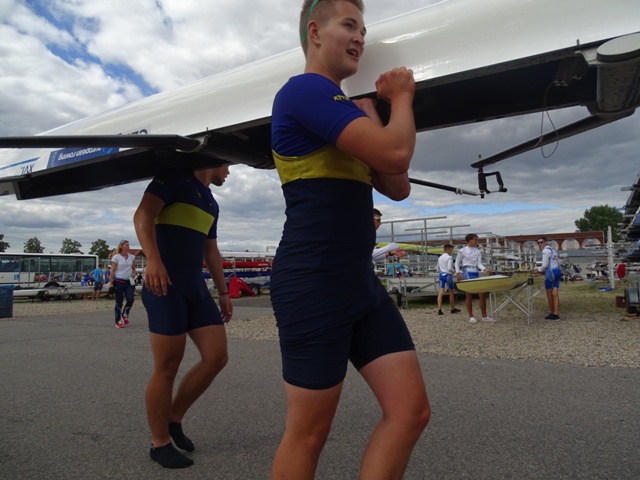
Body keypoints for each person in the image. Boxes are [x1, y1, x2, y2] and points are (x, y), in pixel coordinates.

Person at [269, 1, 430, 478]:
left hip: (359, 282)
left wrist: (375, 117)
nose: (360, 36)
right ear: (315, 32)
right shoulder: (304, 91)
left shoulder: (341, 111)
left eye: (363, 28)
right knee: (308, 433)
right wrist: (401, 97)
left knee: (410, 412)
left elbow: (397, 185)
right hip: (313, 283)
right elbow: (397, 153)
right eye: (349, 25)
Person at [133, 165, 233, 469]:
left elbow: (211, 251)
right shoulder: (174, 177)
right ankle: (159, 442)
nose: (229, 171)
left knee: (216, 357)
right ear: (212, 161)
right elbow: (143, 215)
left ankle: (173, 418)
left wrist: (224, 292)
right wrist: (153, 260)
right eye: (227, 164)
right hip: (164, 286)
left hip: (196, 289)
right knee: (167, 367)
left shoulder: (211, 201)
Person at [455, 233, 493, 323]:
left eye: (477, 239)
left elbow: (479, 264)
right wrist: (457, 272)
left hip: (475, 271)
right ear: (470, 240)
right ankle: (471, 316)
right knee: (469, 294)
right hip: (467, 272)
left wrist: (484, 269)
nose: (477, 241)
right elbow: (457, 262)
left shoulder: (477, 251)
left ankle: (484, 316)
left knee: (482, 294)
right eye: (475, 239)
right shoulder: (462, 251)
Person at [109, 240, 137, 328]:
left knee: (130, 299)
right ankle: (118, 320)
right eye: (126, 245)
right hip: (119, 281)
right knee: (119, 301)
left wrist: (134, 273)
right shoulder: (116, 257)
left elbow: (133, 268)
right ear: (121, 246)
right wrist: (110, 283)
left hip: (129, 281)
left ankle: (125, 314)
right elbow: (113, 270)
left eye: (128, 245)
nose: (128, 246)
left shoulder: (132, 257)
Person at [533, 236, 561, 320]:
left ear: (546, 242)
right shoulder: (553, 250)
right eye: (538, 243)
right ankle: (556, 313)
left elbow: (544, 265)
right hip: (557, 271)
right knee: (555, 294)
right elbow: (557, 262)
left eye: (541, 242)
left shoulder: (545, 251)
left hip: (550, 273)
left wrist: (538, 270)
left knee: (549, 293)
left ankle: (552, 313)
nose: (539, 244)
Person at [437, 244, 461, 315]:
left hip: (441, 275)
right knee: (451, 292)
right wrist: (454, 271)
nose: (451, 251)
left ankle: (439, 309)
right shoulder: (449, 258)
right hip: (448, 275)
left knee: (440, 292)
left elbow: (437, 268)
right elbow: (449, 268)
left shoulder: (440, 257)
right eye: (451, 249)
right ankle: (452, 309)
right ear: (448, 249)